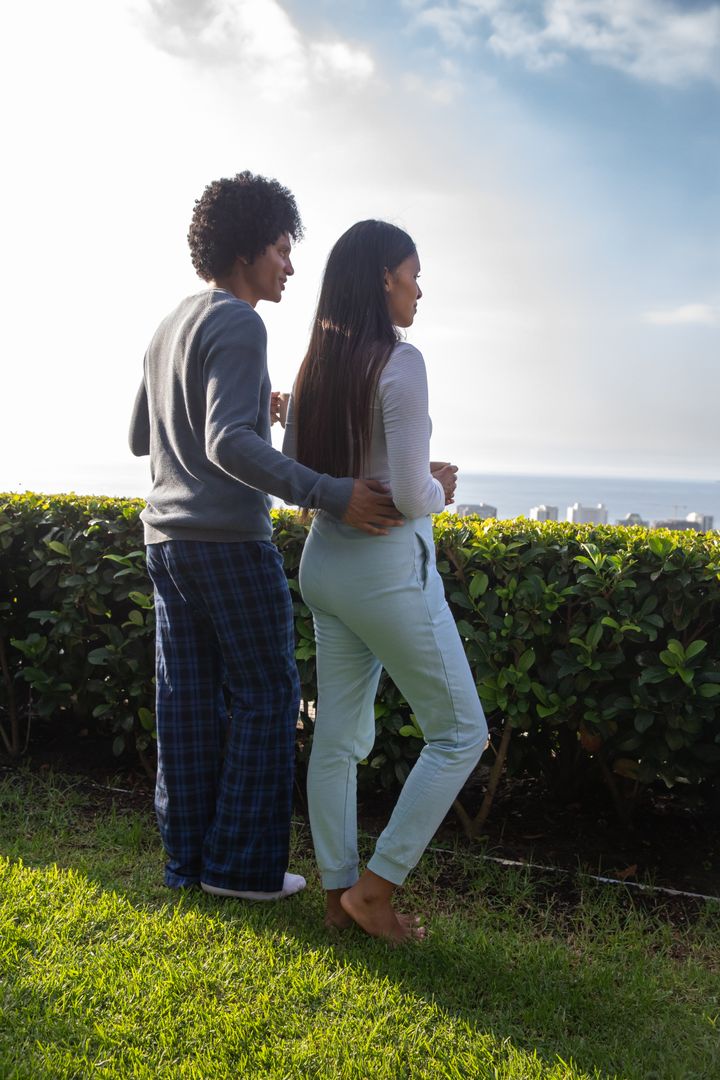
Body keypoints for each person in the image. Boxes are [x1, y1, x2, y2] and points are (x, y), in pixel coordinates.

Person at [129, 174, 402, 901]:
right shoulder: (244, 324)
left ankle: (188, 863)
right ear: (249, 249)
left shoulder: (169, 325)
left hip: (165, 543)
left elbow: (141, 435)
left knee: (184, 701)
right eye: (282, 249)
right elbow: (226, 443)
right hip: (226, 541)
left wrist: (259, 404)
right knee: (266, 695)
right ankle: (242, 871)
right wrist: (331, 493)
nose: (289, 265)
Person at [283, 219, 489, 941]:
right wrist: (440, 488)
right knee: (462, 734)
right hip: (386, 577)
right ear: (383, 279)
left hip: (325, 566)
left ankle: (338, 891)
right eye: (412, 273)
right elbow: (407, 496)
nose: (418, 288)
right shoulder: (402, 364)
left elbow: (298, 480)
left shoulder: (315, 365)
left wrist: (397, 482)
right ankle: (375, 892)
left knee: (337, 737)